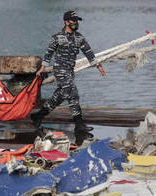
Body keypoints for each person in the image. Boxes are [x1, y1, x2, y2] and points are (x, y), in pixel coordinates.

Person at [32, 10, 106, 141]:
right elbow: (48, 53)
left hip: (70, 71)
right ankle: (79, 124)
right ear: (66, 22)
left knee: (60, 95)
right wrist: (42, 68)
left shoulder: (79, 38)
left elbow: (88, 52)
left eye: (77, 21)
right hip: (60, 70)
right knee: (73, 93)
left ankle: (38, 115)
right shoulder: (57, 37)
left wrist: (98, 66)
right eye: (73, 21)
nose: (76, 23)